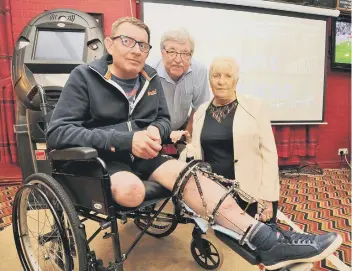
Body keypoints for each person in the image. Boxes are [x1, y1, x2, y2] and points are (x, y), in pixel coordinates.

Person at [46, 17, 342, 271]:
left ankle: (268, 240)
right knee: (131, 191)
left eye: (142, 45)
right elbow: (58, 132)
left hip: (144, 156)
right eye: (127, 41)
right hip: (101, 160)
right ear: (110, 45)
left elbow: (163, 119)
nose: (136, 50)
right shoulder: (84, 77)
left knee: (192, 176)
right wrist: (122, 139)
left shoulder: (150, 78)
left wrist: (154, 131)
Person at [181, 57, 279, 223]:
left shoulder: (255, 107)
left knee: (256, 244)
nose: (221, 82)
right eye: (216, 76)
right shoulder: (200, 113)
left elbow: (269, 154)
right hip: (215, 195)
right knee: (221, 243)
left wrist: (267, 197)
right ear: (209, 80)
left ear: (237, 80)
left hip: (250, 194)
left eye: (228, 76)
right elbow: (196, 152)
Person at [152, 28, 210, 144]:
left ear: (191, 55)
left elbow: (199, 108)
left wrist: (185, 138)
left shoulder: (199, 71)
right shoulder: (149, 72)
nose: (178, 60)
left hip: (182, 127)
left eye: (184, 53)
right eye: (172, 52)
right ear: (162, 53)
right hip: (154, 130)